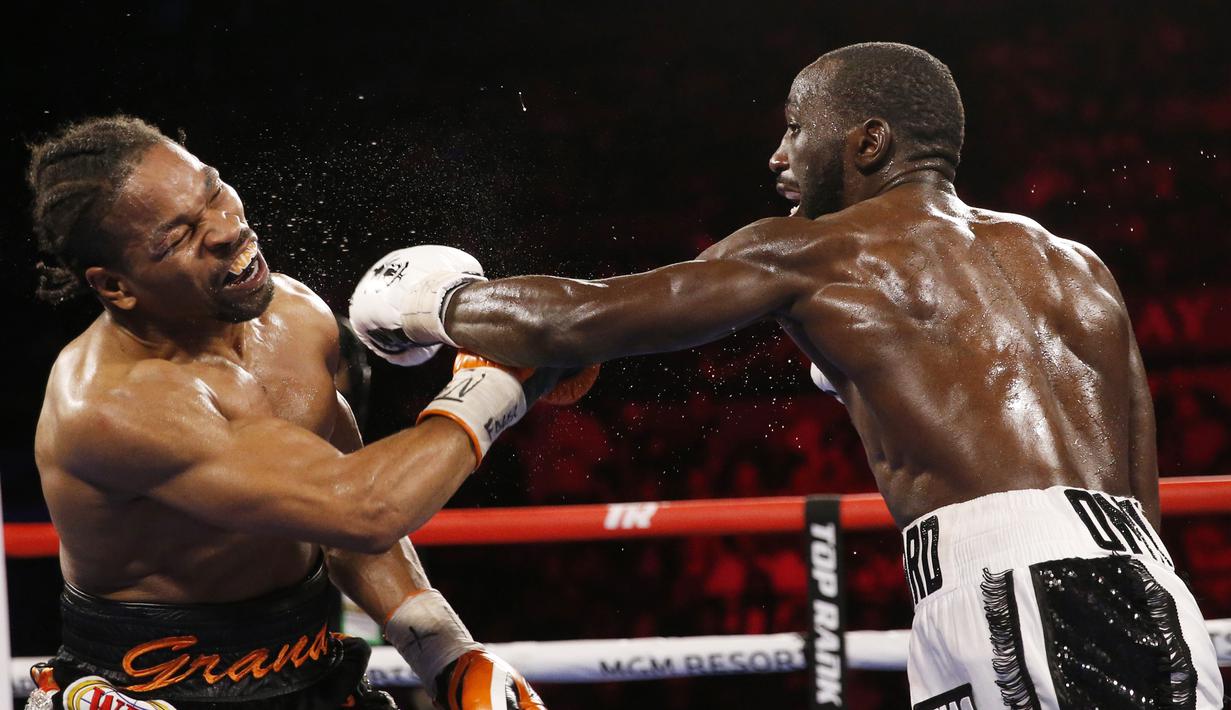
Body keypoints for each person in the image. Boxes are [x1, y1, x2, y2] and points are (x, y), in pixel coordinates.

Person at [348, 42, 1225, 708]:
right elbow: (1135, 484)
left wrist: (430, 301)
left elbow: (584, 314)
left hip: (1033, 598)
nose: (777, 155)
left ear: (869, 139)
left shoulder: (822, 251)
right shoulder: (1073, 264)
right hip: (1101, 581)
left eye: (796, 128)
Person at [26, 116, 576, 709]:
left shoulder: (294, 318)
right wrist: (497, 383)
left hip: (312, 671)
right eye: (178, 235)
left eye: (213, 190)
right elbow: (364, 507)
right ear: (116, 287)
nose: (223, 229)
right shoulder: (112, 404)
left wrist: (446, 655)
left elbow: (340, 526)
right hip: (153, 689)